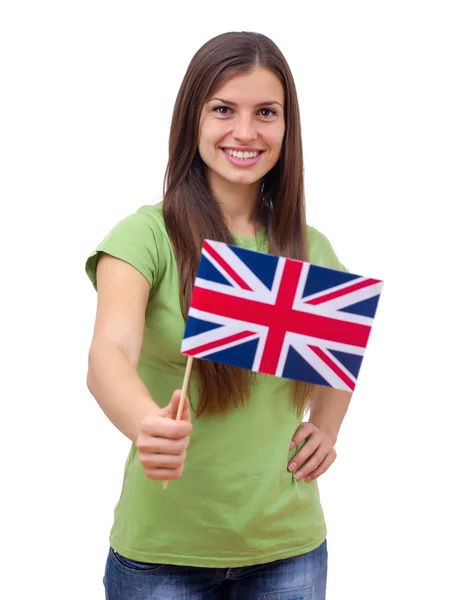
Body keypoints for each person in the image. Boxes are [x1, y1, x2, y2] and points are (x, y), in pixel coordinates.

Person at [86, 30, 353, 600]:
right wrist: (146, 423)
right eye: (223, 110)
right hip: (162, 557)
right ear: (193, 120)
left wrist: (327, 428)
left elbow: (341, 346)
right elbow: (108, 354)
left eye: (266, 113)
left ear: (288, 127)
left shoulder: (311, 247)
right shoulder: (145, 236)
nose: (246, 132)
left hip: (290, 551)